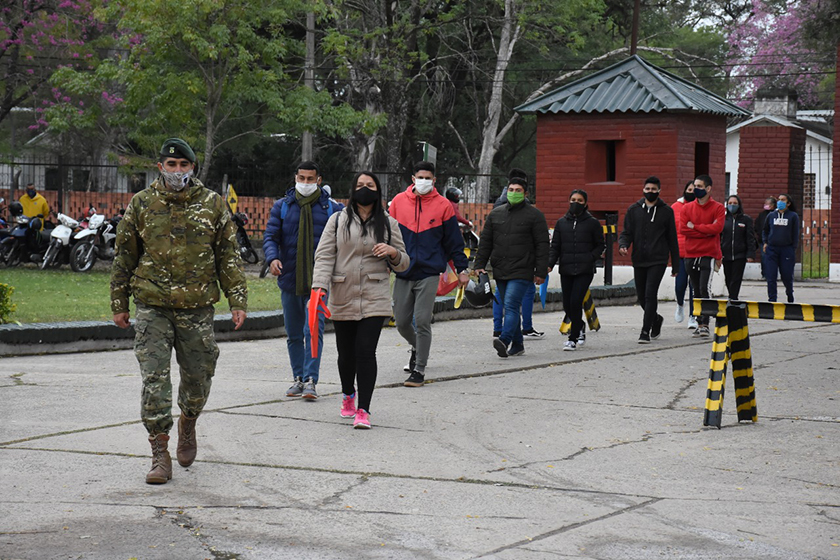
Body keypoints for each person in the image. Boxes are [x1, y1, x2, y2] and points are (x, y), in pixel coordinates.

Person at [110, 138, 247, 484]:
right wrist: (119, 302)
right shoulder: (141, 204)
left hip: (196, 308)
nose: (177, 171)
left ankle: (188, 421)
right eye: (171, 166)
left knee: (198, 378)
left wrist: (237, 300)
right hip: (152, 305)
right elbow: (124, 255)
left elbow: (228, 256)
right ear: (160, 167)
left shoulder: (213, 204)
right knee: (154, 380)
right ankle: (160, 453)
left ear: (192, 168)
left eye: (183, 165)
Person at [312, 171, 409, 429]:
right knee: (346, 354)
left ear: (378, 191)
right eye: (360, 185)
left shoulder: (389, 224)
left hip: (375, 297)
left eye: (370, 185)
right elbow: (324, 257)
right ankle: (348, 396)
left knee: (366, 351)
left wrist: (393, 253)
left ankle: (363, 410)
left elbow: (404, 263)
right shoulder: (336, 221)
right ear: (352, 190)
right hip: (343, 294)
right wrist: (319, 288)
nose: (364, 189)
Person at [263, 161, 344, 401]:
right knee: (294, 332)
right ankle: (297, 378)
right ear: (295, 177)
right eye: (302, 178)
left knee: (314, 329)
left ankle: (311, 380)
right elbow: (270, 236)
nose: (306, 183)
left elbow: (344, 241)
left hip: (318, 281)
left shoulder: (333, 209)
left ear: (319, 180)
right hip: (289, 278)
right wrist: (272, 258)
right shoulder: (282, 207)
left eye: (310, 179)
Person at [389, 161, 469, 387]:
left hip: (430, 272)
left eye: (428, 178)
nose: (423, 181)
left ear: (434, 181)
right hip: (403, 270)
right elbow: (388, 236)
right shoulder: (397, 203)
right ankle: (417, 346)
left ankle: (419, 370)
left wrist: (462, 269)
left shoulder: (443, 206)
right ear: (413, 179)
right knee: (402, 322)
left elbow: (454, 241)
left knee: (422, 320)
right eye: (419, 177)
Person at [473, 170, 549, 358]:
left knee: (511, 304)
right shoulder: (496, 214)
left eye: (518, 190)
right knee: (509, 306)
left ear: (525, 194)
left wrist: (540, 271)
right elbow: (486, 241)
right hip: (501, 268)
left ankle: (504, 340)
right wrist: (479, 264)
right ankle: (518, 345)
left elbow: (542, 245)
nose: (513, 192)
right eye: (511, 189)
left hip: (523, 269)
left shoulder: (535, 216)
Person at [619, 177, 680, 343]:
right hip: (639, 259)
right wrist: (623, 245)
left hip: (658, 260)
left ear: (659, 191)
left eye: (654, 189)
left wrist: (676, 265)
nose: (650, 192)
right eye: (648, 189)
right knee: (641, 297)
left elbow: (672, 238)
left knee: (650, 294)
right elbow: (626, 232)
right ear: (643, 190)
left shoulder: (666, 211)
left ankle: (645, 331)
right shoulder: (633, 210)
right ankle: (656, 319)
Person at [547, 189, 605, 351]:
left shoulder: (592, 223)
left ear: (585, 203)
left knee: (575, 300)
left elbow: (601, 244)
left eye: (580, 200)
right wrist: (549, 265)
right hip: (566, 268)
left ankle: (572, 338)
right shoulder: (561, 223)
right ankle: (580, 326)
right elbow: (555, 247)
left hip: (584, 269)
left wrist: (590, 257)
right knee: (567, 304)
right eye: (573, 199)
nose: (576, 203)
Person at [492, 168, 543, 339]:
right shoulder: (526, 210)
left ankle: (501, 329)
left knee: (503, 298)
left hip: (503, 263)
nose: (514, 192)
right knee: (517, 300)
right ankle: (521, 330)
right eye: (513, 189)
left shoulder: (498, 204)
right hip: (520, 263)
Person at [679, 174, 725, 338]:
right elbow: (684, 229)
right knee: (695, 289)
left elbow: (717, 229)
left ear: (708, 188)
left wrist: (696, 227)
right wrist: (706, 231)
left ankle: (705, 323)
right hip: (690, 254)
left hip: (708, 254)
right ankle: (699, 322)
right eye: (695, 186)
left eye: (699, 186)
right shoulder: (687, 208)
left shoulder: (718, 208)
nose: (696, 189)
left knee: (704, 288)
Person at [763, 193, 800, 303]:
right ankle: (772, 299)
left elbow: (795, 233)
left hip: (786, 249)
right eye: (778, 199)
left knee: (786, 275)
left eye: (783, 200)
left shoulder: (793, 216)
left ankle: (789, 293)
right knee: (771, 276)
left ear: (788, 203)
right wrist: (765, 242)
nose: (780, 202)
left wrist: (793, 248)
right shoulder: (771, 215)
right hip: (772, 249)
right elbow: (765, 230)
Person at [721, 195, 757, 301]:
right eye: (730, 203)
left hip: (740, 254)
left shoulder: (746, 219)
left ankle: (733, 298)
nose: (732, 205)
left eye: (735, 203)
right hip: (726, 253)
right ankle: (731, 295)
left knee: (736, 278)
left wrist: (750, 254)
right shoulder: (723, 219)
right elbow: (718, 237)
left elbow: (750, 238)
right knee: (728, 277)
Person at [671, 182, 696, 327]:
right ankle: (680, 304)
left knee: (694, 286)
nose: (692, 192)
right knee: (680, 285)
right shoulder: (675, 207)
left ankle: (693, 316)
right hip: (680, 253)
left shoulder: (700, 207)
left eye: (694, 190)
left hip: (695, 251)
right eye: (689, 189)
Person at [755, 196, 777, 280]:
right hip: (763, 241)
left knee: (773, 258)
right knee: (764, 258)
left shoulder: (775, 214)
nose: (766, 205)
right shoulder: (762, 215)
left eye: (768, 204)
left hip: (773, 241)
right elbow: (757, 225)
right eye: (765, 204)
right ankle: (765, 274)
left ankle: (772, 274)